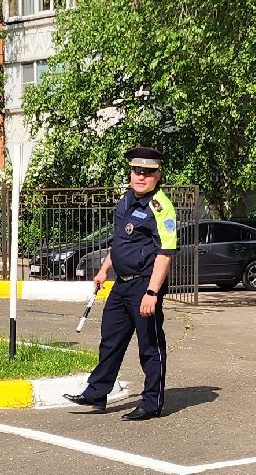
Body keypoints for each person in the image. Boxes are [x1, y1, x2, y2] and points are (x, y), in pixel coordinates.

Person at [65, 146, 179, 421]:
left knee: (149, 346)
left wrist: (152, 292)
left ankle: (151, 403)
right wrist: (104, 270)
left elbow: (165, 252)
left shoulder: (161, 207)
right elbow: (120, 243)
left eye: (148, 173)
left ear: (158, 175)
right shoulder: (126, 200)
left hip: (144, 286)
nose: (141, 177)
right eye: (137, 171)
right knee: (111, 341)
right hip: (121, 284)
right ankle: (97, 393)